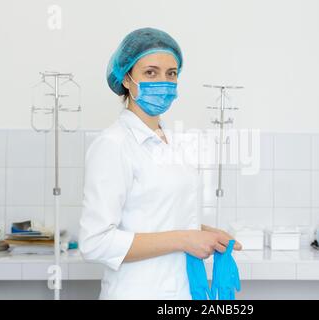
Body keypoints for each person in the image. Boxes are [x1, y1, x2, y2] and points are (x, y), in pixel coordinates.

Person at [78, 27, 241, 299]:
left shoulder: (171, 141)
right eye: (150, 72)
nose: (163, 82)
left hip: (180, 291)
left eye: (171, 73)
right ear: (127, 79)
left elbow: (156, 215)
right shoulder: (113, 145)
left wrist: (203, 234)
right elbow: (95, 242)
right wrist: (185, 239)